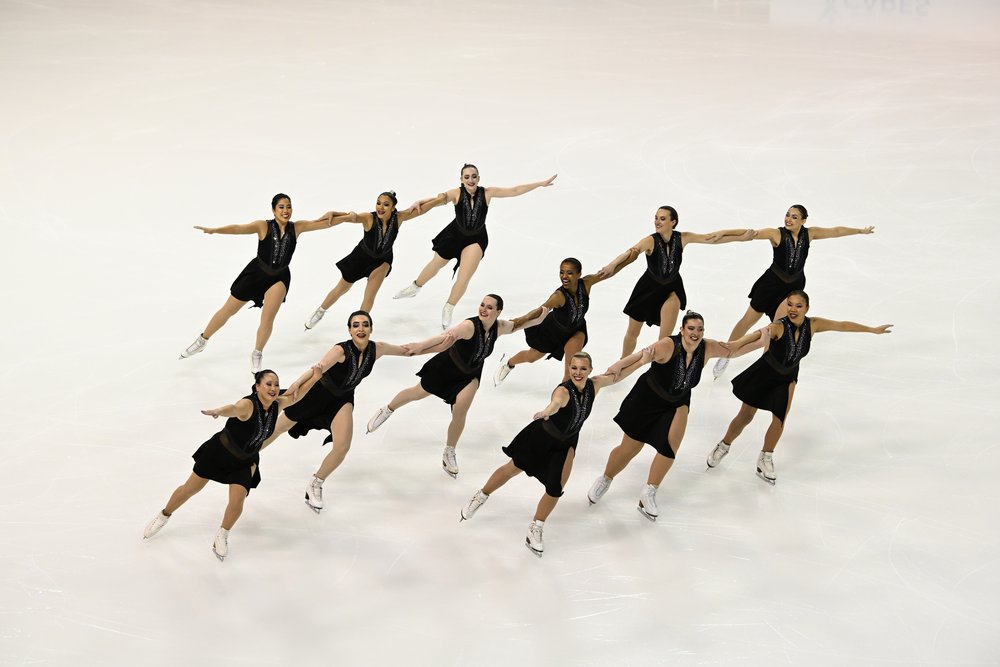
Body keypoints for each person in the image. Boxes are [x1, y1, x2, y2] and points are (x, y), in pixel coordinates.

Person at [459, 350, 648, 557]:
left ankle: (536, 527)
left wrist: (643, 361)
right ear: (569, 368)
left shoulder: (595, 384)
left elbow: (616, 376)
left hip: (566, 444)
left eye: (583, 368)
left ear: (590, 370)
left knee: (555, 488)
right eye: (574, 368)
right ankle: (482, 495)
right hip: (541, 438)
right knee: (512, 469)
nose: (577, 372)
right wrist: (547, 411)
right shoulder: (563, 391)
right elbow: (556, 403)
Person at [705, 290, 892, 484]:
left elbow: (841, 325)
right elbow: (758, 334)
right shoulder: (779, 326)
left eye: (798, 306)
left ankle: (765, 457)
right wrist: (737, 343)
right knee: (745, 416)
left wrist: (872, 330)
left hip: (787, 378)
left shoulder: (813, 325)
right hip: (764, 374)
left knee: (779, 419)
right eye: (790, 304)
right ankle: (724, 445)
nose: (793, 309)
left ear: (806, 308)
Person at [142, 367, 322, 561]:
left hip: (245, 460)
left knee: (237, 501)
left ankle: (222, 535)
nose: (273, 388)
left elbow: (296, 396)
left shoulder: (277, 405)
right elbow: (234, 409)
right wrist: (220, 411)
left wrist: (316, 377)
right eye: (268, 384)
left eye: (276, 384)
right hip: (219, 453)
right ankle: (164, 515)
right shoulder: (248, 405)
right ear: (257, 387)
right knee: (190, 489)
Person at [587, 312, 751, 520]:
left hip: (677, 402)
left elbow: (732, 349)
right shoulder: (668, 345)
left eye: (700, 329)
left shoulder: (707, 347)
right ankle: (606, 478)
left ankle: (649, 491)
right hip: (648, 398)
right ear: (682, 330)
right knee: (630, 448)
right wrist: (618, 366)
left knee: (669, 448)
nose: (695, 333)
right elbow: (641, 356)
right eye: (691, 328)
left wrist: (764, 337)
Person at [365, 294, 548, 477]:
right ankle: (388, 409)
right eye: (482, 305)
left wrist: (541, 317)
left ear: (498, 311)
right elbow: (446, 336)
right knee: (417, 393)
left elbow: (518, 324)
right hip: (447, 368)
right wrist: (421, 345)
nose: (484, 309)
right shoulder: (469, 326)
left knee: (460, 411)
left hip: (470, 375)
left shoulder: (499, 327)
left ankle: (449, 451)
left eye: (489, 307)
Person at [261, 310, 423, 512]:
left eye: (365, 324)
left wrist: (436, 344)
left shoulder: (378, 349)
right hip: (316, 394)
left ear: (371, 329)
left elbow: (407, 350)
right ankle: (247, 455)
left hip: (343, 399)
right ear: (349, 330)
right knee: (278, 428)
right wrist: (296, 384)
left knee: (342, 446)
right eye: (355, 325)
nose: (360, 329)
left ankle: (316, 483)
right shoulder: (340, 350)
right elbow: (317, 368)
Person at [179, 193, 350, 372]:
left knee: (267, 318)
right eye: (281, 207)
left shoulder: (297, 227)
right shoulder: (263, 226)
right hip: (255, 274)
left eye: (288, 207)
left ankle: (257, 353)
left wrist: (346, 215)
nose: (286, 210)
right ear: (273, 210)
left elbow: (325, 223)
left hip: (279, 278)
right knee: (228, 310)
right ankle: (202, 340)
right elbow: (239, 228)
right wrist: (215, 230)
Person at [712, 205, 875, 378]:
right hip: (770, 285)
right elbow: (750, 233)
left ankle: (764, 365)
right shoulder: (776, 234)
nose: (788, 219)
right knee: (747, 321)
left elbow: (836, 231)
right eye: (787, 215)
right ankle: (726, 355)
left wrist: (860, 231)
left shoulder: (809, 234)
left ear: (803, 221)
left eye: (794, 217)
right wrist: (724, 232)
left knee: (777, 328)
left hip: (792, 289)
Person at [392, 164, 557, 329]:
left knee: (463, 278)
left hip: (475, 239)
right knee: (436, 264)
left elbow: (514, 191)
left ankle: (449, 307)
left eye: (474, 176)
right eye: (467, 177)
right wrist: (420, 201)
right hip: (453, 235)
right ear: (461, 179)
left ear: (478, 178)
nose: (470, 180)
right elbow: (438, 200)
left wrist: (539, 184)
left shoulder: (487, 193)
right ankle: (415, 287)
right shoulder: (456, 193)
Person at [595, 206, 756, 358]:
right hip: (647, 289)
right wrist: (612, 265)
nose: (657, 222)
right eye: (656, 218)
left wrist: (741, 237)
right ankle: (623, 361)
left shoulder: (682, 238)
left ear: (673, 222)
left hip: (672, 288)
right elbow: (631, 252)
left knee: (665, 339)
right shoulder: (650, 240)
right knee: (633, 333)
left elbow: (712, 238)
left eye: (662, 218)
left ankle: (659, 367)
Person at [303, 191, 435, 330]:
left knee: (370, 295)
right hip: (360, 258)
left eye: (386, 205)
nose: (380, 207)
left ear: (393, 208)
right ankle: (320, 311)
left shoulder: (399, 217)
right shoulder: (369, 218)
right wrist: (334, 213)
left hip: (383, 261)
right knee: (341, 288)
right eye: (378, 203)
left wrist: (437, 199)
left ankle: (360, 326)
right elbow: (352, 217)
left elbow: (423, 209)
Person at [493, 257, 621, 385]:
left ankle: (567, 395)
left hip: (577, 330)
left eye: (569, 273)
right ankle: (508, 363)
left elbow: (609, 272)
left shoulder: (586, 283)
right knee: (532, 357)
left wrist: (629, 256)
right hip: (553, 332)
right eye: (561, 272)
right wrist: (518, 321)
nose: (564, 276)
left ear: (579, 274)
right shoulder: (559, 296)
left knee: (570, 373)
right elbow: (540, 310)